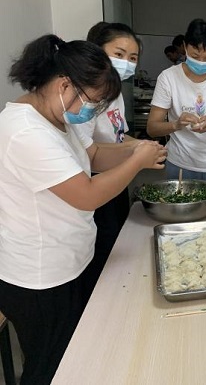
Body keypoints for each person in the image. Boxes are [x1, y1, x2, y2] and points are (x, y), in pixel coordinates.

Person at [0, 34, 167, 385]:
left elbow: (93, 156)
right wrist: (136, 162)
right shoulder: (25, 131)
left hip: (68, 261)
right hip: (40, 276)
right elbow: (86, 195)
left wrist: (137, 150)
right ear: (64, 85)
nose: (91, 110)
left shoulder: (56, 118)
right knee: (49, 366)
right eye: (92, 101)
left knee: (72, 355)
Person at [72, 22, 142, 302]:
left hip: (115, 180)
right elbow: (88, 153)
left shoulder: (115, 94)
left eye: (133, 58)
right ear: (96, 51)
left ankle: (115, 300)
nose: (126, 63)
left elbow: (118, 136)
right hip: (93, 184)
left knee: (116, 243)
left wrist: (141, 146)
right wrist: (137, 155)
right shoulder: (85, 97)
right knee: (102, 252)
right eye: (119, 54)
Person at [147, 19, 206, 198]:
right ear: (185, 47)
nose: (201, 62)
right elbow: (152, 128)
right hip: (180, 164)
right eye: (195, 56)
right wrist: (176, 124)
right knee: (179, 212)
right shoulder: (168, 78)